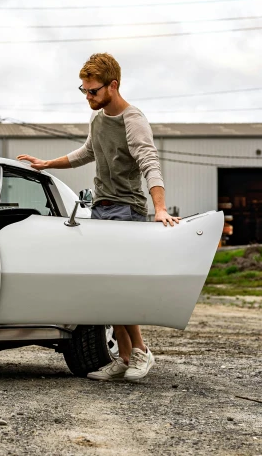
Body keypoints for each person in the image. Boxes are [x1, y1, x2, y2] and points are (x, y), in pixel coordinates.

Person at [16, 53, 180, 382]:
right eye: (84, 91)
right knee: (106, 286)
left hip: (127, 208)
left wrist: (160, 207)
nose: (88, 97)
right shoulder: (97, 119)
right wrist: (48, 165)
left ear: (113, 86)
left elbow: (149, 163)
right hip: (102, 207)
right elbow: (87, 152)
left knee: (118, 285)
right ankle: (123, 356)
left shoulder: (133, 120)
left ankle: (141, 352)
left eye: (93, 91)